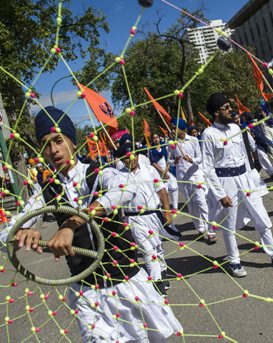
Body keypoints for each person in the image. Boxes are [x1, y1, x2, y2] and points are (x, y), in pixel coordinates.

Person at [0, 106, 181, 341]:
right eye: (46, 144)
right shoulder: (47, 189)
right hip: (86, 293)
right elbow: (9, 229)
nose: (54, 150)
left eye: (58, 140)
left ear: (72, 142)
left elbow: (126, 190)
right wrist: (21, 232)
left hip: (125, 284)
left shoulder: (98, 173)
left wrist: (71, 224)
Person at [201, 93, 273, 277]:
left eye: (230, 106)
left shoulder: (236, 127)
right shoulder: (209, 134)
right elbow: (207, 167)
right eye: (226, 107)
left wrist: (253, 179)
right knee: (229, 224)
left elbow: (244, 156)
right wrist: (220, 194)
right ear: (216, 112)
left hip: (245, 178)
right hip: (226, 182)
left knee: (261, 215)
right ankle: (234, 261)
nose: (231, 110)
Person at [115, 141, 177, 295]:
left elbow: (161, 190)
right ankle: (157, 287)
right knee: (148, 252)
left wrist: (167, 211)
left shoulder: (149, 170)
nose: (132, 160)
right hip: (134, 219)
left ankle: (162, 274)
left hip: (153, 216)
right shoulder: (119, 177)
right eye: (127, 157)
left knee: (157, 247)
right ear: (123, 160)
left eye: (133, 155)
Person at [169, 117, 216, 244]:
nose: (173, 131)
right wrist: (175, 161)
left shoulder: (194, 140)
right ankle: (200, 229)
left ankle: (210, 231)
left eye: (175, 128)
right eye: (172, 128)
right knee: (192, 205)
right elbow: (170, 161)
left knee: (201, 202)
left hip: (196, 176)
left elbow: (200, 158)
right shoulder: (172, 144)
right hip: (182, 179)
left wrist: (191, 160)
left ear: (182, 128)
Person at [150, 133, 179, 211]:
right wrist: (162, 173)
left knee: (174, 188)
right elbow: (153, 163)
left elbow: (169, 158)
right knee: (163, 191)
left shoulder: (165, 147)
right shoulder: (151, 150)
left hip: (168, 170)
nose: (156, 139)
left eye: (157, 137)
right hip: (159, 173)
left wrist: (166, 171)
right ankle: (166, 208)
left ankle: (175, 207)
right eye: (154, 138)